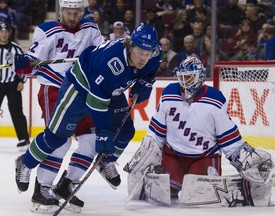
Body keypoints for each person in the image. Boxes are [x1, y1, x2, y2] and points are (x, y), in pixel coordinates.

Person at [14, 23, 162, 210]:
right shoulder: (111, 64)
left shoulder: (155, 54)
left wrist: (145, 81)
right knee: (56, 137)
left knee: (125, 131)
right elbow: (95, 103)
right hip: (80, 89)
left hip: (111, 91)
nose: (144, 58)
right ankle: (25, 162)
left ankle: (96, 166)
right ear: (130, 44)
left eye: (148, 53)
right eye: (140, 52)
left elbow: (151, 68)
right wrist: (103, 132)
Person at [124, 56, 274, 205]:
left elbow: (228, 139)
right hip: (173, 155)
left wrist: (245, 159)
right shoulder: (169, 93)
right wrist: (147, 152)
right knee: (166, 192)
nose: (184, 82)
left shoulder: (215, 100)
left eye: (189, 77)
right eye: (182, 77)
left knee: (199, 196)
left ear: (199, 77)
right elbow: (157, 132)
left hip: (204, 157)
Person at [12, 0, 105, 213]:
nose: (73, 17)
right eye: (68, 12)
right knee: (60, 140)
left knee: (91, 140)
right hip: (54, 89)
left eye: (76, 13)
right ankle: (42, 187)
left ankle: (66, 184)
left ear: (82, 12)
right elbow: (33, 62)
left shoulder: (91, 28)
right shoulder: (46, 30)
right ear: (61, 11)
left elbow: (101, 54)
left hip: (82, 91)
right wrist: (25, 65)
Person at [0, 22, 30, 150]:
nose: (4, 34)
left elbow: (24, 66)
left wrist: (21, 81)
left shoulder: (15, 48)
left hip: (13, 83)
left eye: (6, 31)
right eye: (1, 31)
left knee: (16, 111)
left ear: (10, 33)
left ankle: (24, 139)